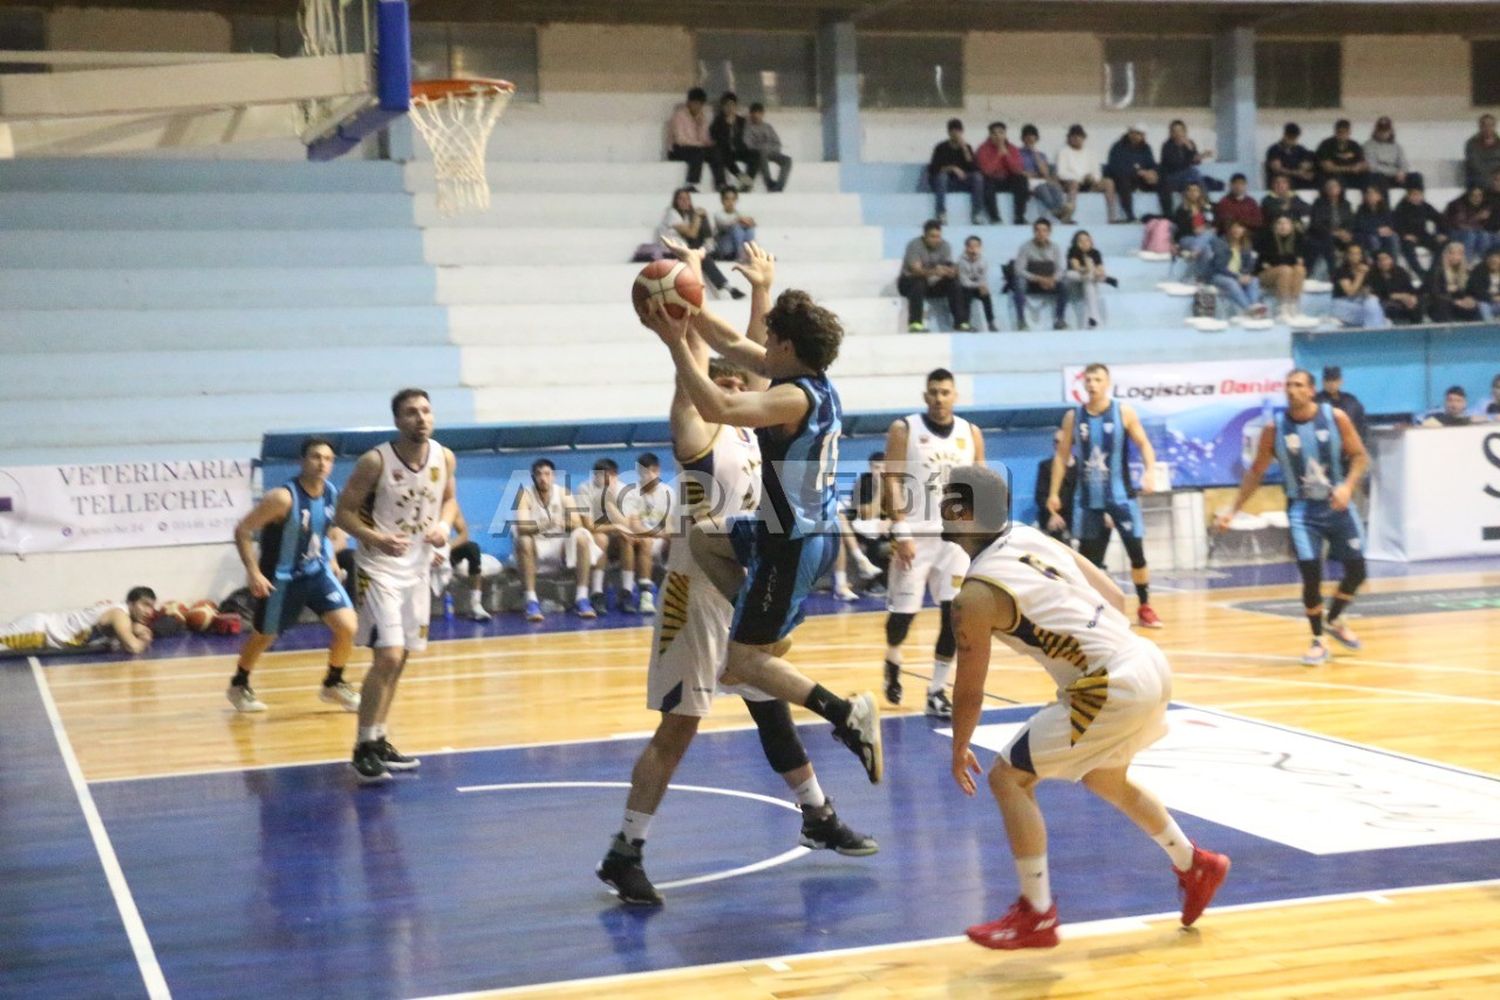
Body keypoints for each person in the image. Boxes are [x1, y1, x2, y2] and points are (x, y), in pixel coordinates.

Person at [597, 278, 875, 906]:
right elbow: (722, 373)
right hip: (698, 581)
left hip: (747, 567)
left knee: (765, 693)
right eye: (720, 374)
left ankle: (818, 814)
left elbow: (755, 351)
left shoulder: (765, 418)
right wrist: (681, 334)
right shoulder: (699, 428)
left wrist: (746, 300)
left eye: (742, 372)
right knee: (681, 727)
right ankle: (625, 850)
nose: (736, 376)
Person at [944, 463, 1230, 950]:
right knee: (1103, 775)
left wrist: (959, 746)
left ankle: (1036, 913)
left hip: (1110, 684)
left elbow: (970, 689)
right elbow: (1115, 597)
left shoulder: (976, 595)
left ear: (968, 514)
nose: (940, 511)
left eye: (949, 503)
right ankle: (1194, 863)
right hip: (1147, 662)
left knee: (1008, 778)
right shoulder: (1029, 537)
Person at [642, 240, 884, 787]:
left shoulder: (793, 398)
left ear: (789, 346)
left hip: (790, 542)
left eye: (772, 338)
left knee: (741, 666)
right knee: (706, 538)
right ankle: (763, 628)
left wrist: (675, 341)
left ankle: (847, 714)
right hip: (785, 530)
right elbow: (731, 340)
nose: (762, 346)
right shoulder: (806, 379)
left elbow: (719, 406)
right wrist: (688, 299)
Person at [335, 388, 458, 783]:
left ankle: (379, 737)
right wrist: (374, 537)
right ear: (397, 420)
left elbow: (450, 501)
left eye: (425, 410)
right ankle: (361, 747)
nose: (420, 418)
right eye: (411, 412)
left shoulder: (444, 456)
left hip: (418, 567)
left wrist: (442, 525)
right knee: (386, 656)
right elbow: (343, 514)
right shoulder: (375, 461)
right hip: (379, 567)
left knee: (401, 658)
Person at [1216, 369, 1369, 666]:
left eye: (1298, 385)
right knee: (1311, 575)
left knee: (1357, 571)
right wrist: (1233, 510)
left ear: (1311, 391)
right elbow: (1256, 472)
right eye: (1287, 385)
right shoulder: (1275, 428)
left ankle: (1335, 618)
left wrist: (1347, 487)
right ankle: (1317, 640)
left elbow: (1360, 456)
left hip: (1337, 506)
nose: (1291, 390)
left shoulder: (1335, 418)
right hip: (1302, 511)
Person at [879, 368, 986, 719]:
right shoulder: (905, 429)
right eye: (934, 392)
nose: (939, 398)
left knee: (954, 617)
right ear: (926, 397)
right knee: (902, 619)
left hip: (953, 540)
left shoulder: (971, 433)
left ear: (955, 396)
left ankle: (936, 691)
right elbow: (891, 479)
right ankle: (893, 660)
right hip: (915, 537)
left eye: (945, 392)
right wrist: (901, 531)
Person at [226, 435, 360, 714]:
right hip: (282, 579)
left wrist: (333, 556)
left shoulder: (331, 493)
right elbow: (243, 530)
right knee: (265, 635)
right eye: (315, 457)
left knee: (348, 627)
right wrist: (253, 572)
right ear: (302, 461)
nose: (322, 463)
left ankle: (333, 682)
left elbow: (332, 530)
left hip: (317, 573)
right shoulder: (282, 499)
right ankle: (239, 684)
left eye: (327, 459)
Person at [1047, 363, 1162, 628]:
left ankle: (1145, 606)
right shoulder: (1073, 417)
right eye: (1088, 379)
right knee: (1090, 563)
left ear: (1106, 383)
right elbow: (1062, 456)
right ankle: (1092, 612)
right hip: (1089, 502)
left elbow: (1144, 444)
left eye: (1097, 379)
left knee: (1137, 554)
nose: (1092, 384)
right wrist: (1054, 493)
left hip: (1121, 498)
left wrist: (1150, 472)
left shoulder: (1123, 412)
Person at [511, 458, 602, 622]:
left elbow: (577, 522)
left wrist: (562, 523)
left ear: (553, 476)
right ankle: (531, 601)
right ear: (533, 477)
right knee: (523, 540)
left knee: (582, 537)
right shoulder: (525, 494)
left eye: (546, 474)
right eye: (538, 474)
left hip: (559, 546)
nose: (543, 478)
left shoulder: (563, 493)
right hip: (537, 545)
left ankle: (582, 598)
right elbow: (522, 527)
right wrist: (545, 524)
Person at [1, 586, 155, 656]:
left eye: (152, 607)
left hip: (40, 629)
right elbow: (133, 648)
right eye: (145, 605)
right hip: (38, 630)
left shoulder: (121, 615)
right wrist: (144, 639)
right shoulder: (119, 614)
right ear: (131, 603)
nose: (149, 611)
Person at [658, 188, 742, 299]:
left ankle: (725, 284)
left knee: (701, 220)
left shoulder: (687, 215)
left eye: (687, 199)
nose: (685, 201)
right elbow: (691, 233)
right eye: (681, 199)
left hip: (684, 248)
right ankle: (725, 285)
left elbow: (693, 232)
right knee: (702, 255)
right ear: (675, 201)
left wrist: (701, 215)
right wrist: (698, 216)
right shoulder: (671, 214)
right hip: (672, 250)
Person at [619, 452, 674, 615]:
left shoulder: (668, 493)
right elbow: (634, 525)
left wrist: (666, 536)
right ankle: (640, 594)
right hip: (643, 539)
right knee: (637, 539)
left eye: (647, 472)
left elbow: (670, 527)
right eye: (641, 472)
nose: (644, 476)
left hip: (661, 541)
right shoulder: (631, 492)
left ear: (657, 471)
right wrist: (656, 533)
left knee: (679, 539)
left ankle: (674, 591)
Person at [898, 220, 964, 333]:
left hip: (932, 284)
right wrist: (934, 272)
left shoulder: (945, 245)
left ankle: (961, 323)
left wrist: (952, 271)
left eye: (938, 236)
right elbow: (916, 270)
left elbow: (948, 265)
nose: (936, 240)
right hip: (909, 283)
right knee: (919, 282)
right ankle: (915, 324)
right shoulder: (914, 245)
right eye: (932, 237)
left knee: (954, 283)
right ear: (924, 236)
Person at [585, 457, 627, 610]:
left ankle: (627, 592)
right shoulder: (586, 490)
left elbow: (627, 525)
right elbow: (589, 526)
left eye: (608, 475)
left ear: (615, 475)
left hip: (616, 538)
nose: (602, 479)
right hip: (594, 539)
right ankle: (597, 592)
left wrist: (611, 502)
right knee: (601, 538)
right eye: (599, 475)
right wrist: (615, 527)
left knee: (627, 537)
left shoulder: (624, 490)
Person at [1011, 219, 1067, 331]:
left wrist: (1052, 279)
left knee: (1066, 283)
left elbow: (1061, 268)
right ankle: (1021, 321)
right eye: (1037, 230)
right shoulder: (1025, 247)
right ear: (1034, 232)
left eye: (1044, 230)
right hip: (1031, 282)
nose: (1041, 233)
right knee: (1019, 281)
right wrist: (1038, 279)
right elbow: (1019, 269)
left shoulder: (1055, 247)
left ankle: (1059, 319)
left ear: (1049, 232)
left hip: (1050, 282)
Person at [1055, 124, 1118, 224]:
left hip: (1089, 183)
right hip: (1070, 183)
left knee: (1109, 182)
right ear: (1069, 138)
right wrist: (1080, 178)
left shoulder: (1091, 153)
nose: (1076, 139)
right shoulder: (1063, 152)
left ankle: (1112, 218)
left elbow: (1097, 172)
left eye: (1079, 136)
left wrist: (1093, 178)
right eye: (1073, 136)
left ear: (1083, 138)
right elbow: (1061, 173)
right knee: (1074, 183)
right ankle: (1068, 217)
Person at [928, 118, 985, 225]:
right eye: (952, 131)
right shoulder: (941, 147)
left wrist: (964, 149)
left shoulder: (967, 147)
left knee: (977, 177)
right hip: (945, 183)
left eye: (958, 131)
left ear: (962, 132)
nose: (955, 134)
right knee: (942, 177)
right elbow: (933, 169)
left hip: (962, 181)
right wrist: (952, 168)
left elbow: (974, 168)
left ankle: (977, 213)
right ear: (948, 133)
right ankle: (941, 213)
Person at [666, 87, 724, 191]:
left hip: (695, 147)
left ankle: (720, 184)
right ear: (689, 103)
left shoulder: (702, 116)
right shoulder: (679, 115)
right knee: (698, 152)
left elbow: (704, 137)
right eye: (695, 103)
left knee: (716, 151)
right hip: (677, 149)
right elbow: (680, 140)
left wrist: (709, 143)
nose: (697, 107)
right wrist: (700, 144)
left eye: (700, 104)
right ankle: (691, 184)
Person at [1256, 213, 1311, 322]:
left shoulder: (1298, 238)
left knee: (1300, 269)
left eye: (1286, 223)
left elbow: (1303, 261)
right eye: (1279, 223)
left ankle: (1294, 307)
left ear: (1291, 226)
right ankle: (1282, 308)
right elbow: (1272, 259)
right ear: (1275, 226)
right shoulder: (1268, 237)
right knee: (1285, 270)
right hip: (1265, 274)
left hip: (1286, 271)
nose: (1283, 226)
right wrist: (1292, 259)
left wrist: (1286, 260)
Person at [1208, 220, 1269, 319]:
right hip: (1219, 275)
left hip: (1239, 275)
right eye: (1234, 227)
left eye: (1240, 227)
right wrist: (1237, 276)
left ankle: (1255, 305)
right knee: (1231, 282)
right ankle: (1249, 309)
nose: (1237, 230)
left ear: (1244, 230)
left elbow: (1248, 266)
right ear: (1229, 229)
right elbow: (1220, 267)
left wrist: (1246, 275)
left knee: (1254, 280)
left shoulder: (1246, 245)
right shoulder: (1220, 243)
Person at [975, 121, 1028, 225]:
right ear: (990, 135)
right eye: (994, 133)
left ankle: (1019, 217)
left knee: (1021, 180)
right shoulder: (983, 149)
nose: (998, 136)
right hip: (992, 179)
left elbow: (1017, 170)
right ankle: (995, 218)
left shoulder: (1012, 148)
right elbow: (987, 171)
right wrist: (998, 155)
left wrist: (1007, 156)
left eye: (1001, 132)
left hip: (1008, 179)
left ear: (1005, 134)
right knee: (986, 182)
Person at [1158, 119, 1214, 216]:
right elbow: (1175, 164)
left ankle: (1201, 208)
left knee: (1193, 178)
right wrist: (1192, 154)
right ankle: (1207, 205)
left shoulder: (1189, 144)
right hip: (1171, 177)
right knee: (1193, 172)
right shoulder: (1167, 146)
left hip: (1187, 178)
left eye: (1180, 130)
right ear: (1171, 133)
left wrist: (1197, 154)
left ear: (1184, 131)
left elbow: (1195, 161)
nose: (1178, 133)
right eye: (1174, 131)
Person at [1105, 123, 1159, 223]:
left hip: (1141, 180)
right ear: (1130, 133)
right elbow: (1116, 167)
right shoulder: (1118, 147)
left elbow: (1151, 164)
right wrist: (1138, 172)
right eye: (1138, 133)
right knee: (1124, 180)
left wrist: (1151, 172)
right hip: (1122, 179)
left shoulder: (1146, 148)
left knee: (1162, 179)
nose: (1140, 136)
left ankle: (1166, 214)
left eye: (1142, 134)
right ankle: (1129, 214)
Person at [1392, 185, 1447, 279]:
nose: (1417, 197)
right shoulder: (1401, 207)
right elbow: (1394, 224)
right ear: (1408, 196)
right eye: (1414, 195)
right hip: (1407, 237)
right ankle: (1421, 274)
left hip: (1422, 235)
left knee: (1443, 243)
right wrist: (1404, 235)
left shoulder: (1425, 206)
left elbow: (1439, 219)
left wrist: (1441, 233)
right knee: (1407, 247)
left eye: (1419, 195)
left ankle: (1433, 271)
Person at [1329, 244, 1389, 329]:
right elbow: (1350, 292)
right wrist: (1360, 275)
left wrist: (1365, 292)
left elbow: (1368, 290)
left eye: (1358, 254)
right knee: (1380, 318)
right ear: (1347, 256)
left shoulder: (1366, 269)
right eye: (1352, 254)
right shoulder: (1341, 271)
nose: (1355, 256)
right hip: (1340, 303)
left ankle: (1374, 329)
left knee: (1372, 301)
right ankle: (1375, 330)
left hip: (1358, 302)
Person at [1018, 124, 1068, 222]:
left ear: (1036, 139)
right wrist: (1034, 174)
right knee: (1043, 189)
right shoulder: (1018, 153)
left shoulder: (1041, 155)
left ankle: (1060, 210)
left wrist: (1034, 153)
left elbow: (1045, 173)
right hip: (1028, 182)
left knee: (1055, 188)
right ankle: (1056, 212)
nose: (1030, 139)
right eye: (1027, 137)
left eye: (1032, 137)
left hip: (1042, 180)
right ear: (1023, 138)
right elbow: (1019, 171)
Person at [1034, 429, 1077, 545]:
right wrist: (1053, 515)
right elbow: (1040, 496)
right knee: (1056, 528)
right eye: (1056, 441)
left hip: (1076, 515)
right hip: (1054, 515)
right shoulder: (1046, 466)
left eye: (1061, 442)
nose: (1057, 445)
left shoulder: (1081, 466)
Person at [709, 92, 757, 191]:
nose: (730, 108)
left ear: (736, 106)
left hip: (739, 150)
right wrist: (728, 125)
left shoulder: (742, 121)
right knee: (719, 153)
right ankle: (730, 181)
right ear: (723, 107)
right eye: (727, 105)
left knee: (756, 154)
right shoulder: (718, 121)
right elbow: (716, 138)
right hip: (725, 151)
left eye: (732, 105)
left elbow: (747, 138)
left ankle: (747, 183)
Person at [1309, 177, 1356, 278]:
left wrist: (1347, 232)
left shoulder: (1346, 204)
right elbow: (1316, 224)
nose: (1332, 188)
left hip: (1343, 234)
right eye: (1329, 187)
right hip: (1324, 235)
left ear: (1340, 189)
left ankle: (1354, 273)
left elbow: (1351, 222)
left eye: (1335, 186)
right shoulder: (1318, 204)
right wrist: (1335, 233)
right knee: (1329, 241)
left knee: (1357, 239)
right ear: (1325, 190)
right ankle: (1333, 274)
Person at [1171, 181, 1216, 283]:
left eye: (1195, 190)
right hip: (1188, 238)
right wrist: (1194, 230)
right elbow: (1181, 230)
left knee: (1208, 235)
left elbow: (1212, 223)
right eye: (1190, 190)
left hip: (1204, 237)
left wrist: (1203, 228)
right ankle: (1199, 278)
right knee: (1207, 250)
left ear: (1200, 192)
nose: (1192, 193)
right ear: (1186, 193)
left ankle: (1194, 256)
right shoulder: (1181, 209)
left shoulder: (1207, 207)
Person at [1425, 241, 1480, 323]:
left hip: (1458, 302)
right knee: (1443, 305)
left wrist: (1470, 299)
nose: (1456, 257)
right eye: (1452, 253)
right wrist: (1454, 301)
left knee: (1474, 306)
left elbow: (1470, 290)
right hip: (1439, 303)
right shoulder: (1436, 271)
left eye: (1460, 254)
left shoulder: (1466, 272)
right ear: (1446, 255)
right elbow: (1434, 293)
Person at [1065, 230, 1110, 328]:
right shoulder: (1072, 251)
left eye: (1087, 240)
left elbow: (1101, 270)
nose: (1084, 243)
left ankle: (1093, 318)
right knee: (1071, 274)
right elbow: (1077, 268)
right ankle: (1103, 279)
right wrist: (1089, 268)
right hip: (1074, 279)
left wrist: (1094, 271)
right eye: (1080, 241)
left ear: (1091, 241)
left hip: (1087, 279)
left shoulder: (1095, 252)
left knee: (1088, 283)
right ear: (1076, 243)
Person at [744, 103, 791, 192]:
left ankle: (778, 187)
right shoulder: (748, 128)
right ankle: (768, 182)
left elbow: (777, 143)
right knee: (761, 152)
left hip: (772, 152)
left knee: (787, 160)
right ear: (751, 114)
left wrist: (769, 148)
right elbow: (748, 145)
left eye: (759, 113)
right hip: (759, 154)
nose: (756, 116)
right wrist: (762, 147)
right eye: (754, 113)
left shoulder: (768, 127)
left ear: (762, 114)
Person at [1315, 366, 1369, 444]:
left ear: (1341, 381)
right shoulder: (1316, 401)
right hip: (1325, 444)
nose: (1331, 384)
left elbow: (1361, 424)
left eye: (1334, 380)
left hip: (1349, 443)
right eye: (1328, 380)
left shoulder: (1351, 400)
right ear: (1323, 382)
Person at [1365, 116, 1419, 193]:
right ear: (1376, 130)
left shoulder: (1396, 146)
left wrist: (1402, 172)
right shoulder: (1369, 145)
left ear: (1390, 131)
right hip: (1381, 177)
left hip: (1397, 177)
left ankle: (1416, 202)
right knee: (1378, 177)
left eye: (1386, 130)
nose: (1383, 133)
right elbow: (1372, 167)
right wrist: (1394, 172)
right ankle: (1384, 204)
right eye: (1381, 130)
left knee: (1416, 176)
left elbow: (1404, 163)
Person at [1369, 249, 1423, 324]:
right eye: (1380, 260)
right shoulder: (1373, 275)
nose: (1384, 262)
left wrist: (1412, 297)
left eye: (1386, 259)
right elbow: (1377, 294)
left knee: (1416, 303)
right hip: (1385, 301)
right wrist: (1397, 296)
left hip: (1404, 299)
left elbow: (1409, 288)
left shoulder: (1400, 271)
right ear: (1376, 262)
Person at [957, 235, 997, 332]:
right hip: (965, 288)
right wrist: (979, 285)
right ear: (966, 248)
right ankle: (965, 322)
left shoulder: (983, 261)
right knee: (966, 295)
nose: (973, 250)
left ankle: (991, 322)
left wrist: (982, 286)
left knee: (986, 296)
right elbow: (964, 281)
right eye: (971, 247)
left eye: (976, 247)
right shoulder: (961, 262)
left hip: (978, 286)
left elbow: (983, 277)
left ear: (980, 248)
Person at [1443, 186, 1494, 263]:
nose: (1477, 198)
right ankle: (1466, 264)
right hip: (1453, 231)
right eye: (1473, 195)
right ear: (1468, 195)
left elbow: (1484, 225)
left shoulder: (1483, 204)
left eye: (1480, 195)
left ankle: (1484, 263)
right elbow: (1459, 224)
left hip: (1472, 231)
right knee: (1470, 235)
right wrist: (1477, 217)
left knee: (1485, 235)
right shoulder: (1458, 205)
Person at [1316, 119, 1369, 191]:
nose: (1342, 135)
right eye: (1339, 132)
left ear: (1349, 132)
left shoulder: (1354, 145)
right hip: (1331, 177)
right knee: (1338, 179)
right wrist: (1350, 169)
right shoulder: (1326, 144)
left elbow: (1363, 164)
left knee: (1373, 178)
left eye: (1345, 132)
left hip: (1352, 177)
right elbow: (1328, 167)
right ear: (1335, 132)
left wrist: (1360, 166)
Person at [1353, 186, 1401, 262]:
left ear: (1379, 196)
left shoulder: (1385, 209)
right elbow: (1361, 226)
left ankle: (1393, 264)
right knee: (1374, 240)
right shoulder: (1361, 210)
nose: (1370, 196)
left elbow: (1391, 223)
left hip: (1383, 234)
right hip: (1369, 234)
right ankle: (1377, 264)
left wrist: (1388, 229)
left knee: (1394, 237)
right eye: (1368, 194)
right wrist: (1377, 230)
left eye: (1373, 194)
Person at [1265, 122, 1317, 190]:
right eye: (1291, 138)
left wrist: (1306, 166)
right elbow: (1277, 169)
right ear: (1285, 135)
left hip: (1298, 181)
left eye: (1295, 138)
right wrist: (1297, 173)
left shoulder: (1299, 149)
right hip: (1281, 182)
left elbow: (1309, 159)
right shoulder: (1274, 149)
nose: (1293, 141)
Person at [712, 188, 756, 263]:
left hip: (735, 247)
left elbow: (752, 224)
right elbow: (724, 225)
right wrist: (739, 220)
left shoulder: (739, 213)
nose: (730, 202)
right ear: (722, 201)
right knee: (737, 228)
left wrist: (749, 222)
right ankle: (742, 255)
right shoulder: (718, 214)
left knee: (749, 228)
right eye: (727, 199)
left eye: (733, 199)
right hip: (725, 246)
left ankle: (750, 253)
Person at [1464, 114, 1500, 189]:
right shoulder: (1472, 144)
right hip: (1479, 178)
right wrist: (1492, 179)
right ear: (1480, 127)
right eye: (1485, 125)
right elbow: (1475, 165)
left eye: (1491, 125)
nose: (1488, 128)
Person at [1470, 248, 1500, 320]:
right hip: (1482, 301)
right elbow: (1476, 290)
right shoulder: (1479, 270)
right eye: (1491, 258)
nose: (1494, 261)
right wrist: (1492, 298)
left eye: (1497, 258)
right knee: (1483, 306)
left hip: (1497, 303)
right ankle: (1490, 328)